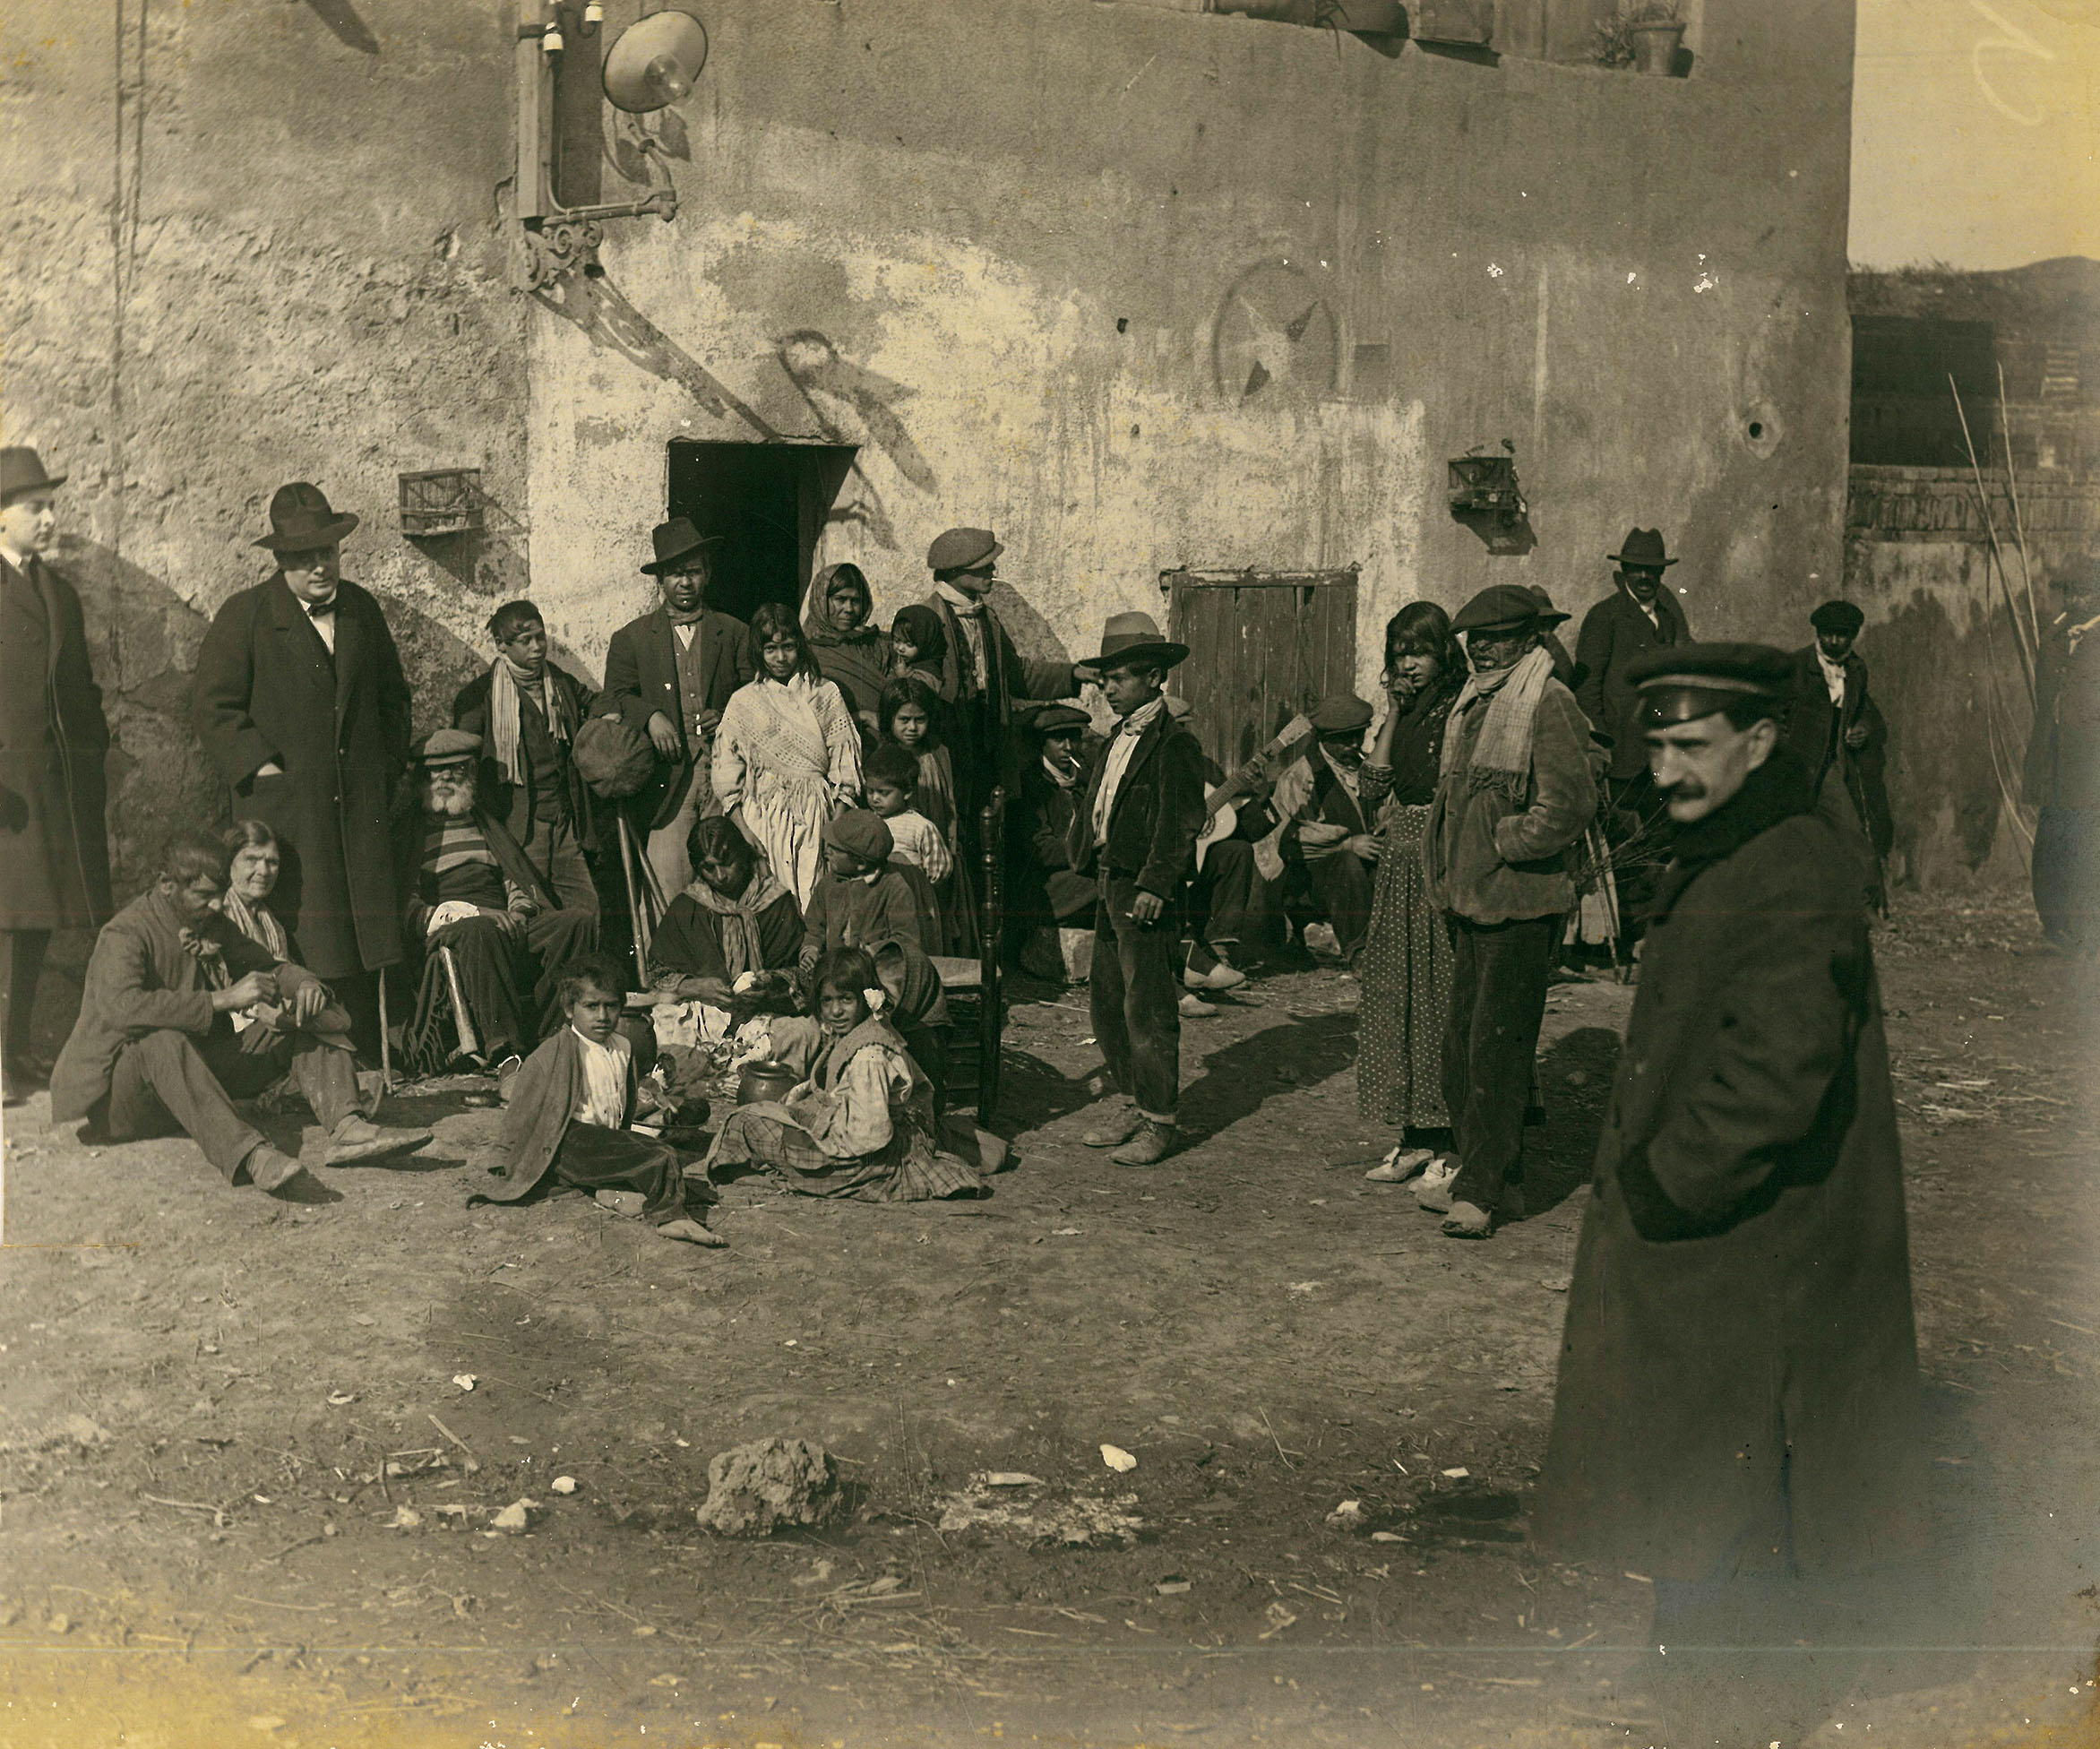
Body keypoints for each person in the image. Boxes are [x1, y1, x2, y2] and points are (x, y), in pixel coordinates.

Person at [1536, 644, 1928, 1739]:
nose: (1664, 769)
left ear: (1758, 744)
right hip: (1713, 1235)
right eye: (1655, 744)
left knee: (1734, 1474)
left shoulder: (1794, 864)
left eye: (1691, 746)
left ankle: (1728, 1711)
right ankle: (1687, 1684)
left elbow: (1776, 1068)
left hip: (1751, 1235)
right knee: (1695, 1471)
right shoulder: (1730, 847)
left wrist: (1670, 1181)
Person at [48, 828, 430, 1193]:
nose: (217, 906)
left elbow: (270, 966)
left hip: (189, 1081)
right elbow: (123, 1009)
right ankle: (251, 1155)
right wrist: (222, 999)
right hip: (125, 1101)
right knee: (162, 1040)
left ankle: (348, 1126)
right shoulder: (126, 933)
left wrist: (306, 985)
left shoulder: (208, 920)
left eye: (220, 895)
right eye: (204, 896)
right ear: (167, 885)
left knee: (293, 1019)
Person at [191, 482, 412, 1033]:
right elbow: (213, 708)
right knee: (306, 919)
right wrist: (261, 769)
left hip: (358, 800)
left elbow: (394, 697)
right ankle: (306, 1045)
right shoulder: (246, 615)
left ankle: (364, 1036)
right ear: (281, 560)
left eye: (328, 554)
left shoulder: (360, 609)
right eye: (305, 558)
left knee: (361, 919)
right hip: (288, 807)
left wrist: (385, 768)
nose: (320, 568)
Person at [1420, 584, 1597, 1238]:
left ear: (1528, 639)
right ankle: (1502, 1182)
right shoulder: (1476, 704)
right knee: (1463, 1051)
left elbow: (1569, 806)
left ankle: (1482, 1191)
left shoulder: (1548, 702)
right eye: (1473, 640)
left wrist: (1506, 843)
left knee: (1496, 1054)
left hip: (1520, 906)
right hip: (1473, 903)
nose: (1478, 649)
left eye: (1493, 638)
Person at [1069, 614, 1206, 1167]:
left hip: (1140, 886)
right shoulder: (1113, 739)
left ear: (1153, 678)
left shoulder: (1173, 744)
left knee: (1147, 1004)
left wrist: (1155, 883)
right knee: (1107, 998)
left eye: (1119, 678)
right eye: (1105, 678)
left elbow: (1180, 822)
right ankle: (1131, 1098)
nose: (1107, 687)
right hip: (1108, 880)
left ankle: (1160, 1120)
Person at [470, 951, 722, 1245]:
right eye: (591, 1006)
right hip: (569, 1141)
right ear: (569, 1009)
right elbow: (521, 1109)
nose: (602, 1016)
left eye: (611, 1006)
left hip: (603, 1140)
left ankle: (610, 1191)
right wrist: (503, 1158)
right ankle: (671, 1217)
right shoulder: (553, 1054)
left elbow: (622, 1103)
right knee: (661, 1156)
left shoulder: (623, 1047)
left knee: (654, 1153)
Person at [0, 448, 112, 1101]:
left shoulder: (58, 592)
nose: (49, 519)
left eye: (51, 506)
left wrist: (94, 752)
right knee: (8, 924)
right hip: (7, 792)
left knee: (36, 920)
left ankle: (15, 1050)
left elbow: (81, 689)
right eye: (34, 508)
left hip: (54, 787)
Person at [701, 947, 982, 1203]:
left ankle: (794, 1175)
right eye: (827, 1001)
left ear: (865, 998)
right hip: (857, 1130)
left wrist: (815, 1137)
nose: (835, 1011)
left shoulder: (870, 1053)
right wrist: (802, 1104)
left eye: (846, 1000)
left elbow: (870, 1135)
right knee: (759, 1118)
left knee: (746, 1124)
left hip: (874, 1152)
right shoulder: (851, 1033)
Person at [392, 731, 598, 1077]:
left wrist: (518, 912)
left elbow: (513, 880)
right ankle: (507, 1054)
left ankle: (555, 1037)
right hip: (458, 930)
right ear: (421, 781)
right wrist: (477, 913)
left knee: (576, 922)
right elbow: (410, 911)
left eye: (454, 772)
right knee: (479, 930)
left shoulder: (484, 825)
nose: (444, 781)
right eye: (435, 774)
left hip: (503, 921)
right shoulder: (411, 835)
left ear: (469, 775)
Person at [1356, 602, 1467, 1178]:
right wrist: (1394, 713)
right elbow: (1373, 786)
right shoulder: (1411, 708)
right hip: (1399, 867)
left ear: (1443, 652)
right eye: (1400, 652)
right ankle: (1415, 1134)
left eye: (1419, 651)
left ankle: (1450, 1142)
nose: (1409, 663)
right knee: (1399, 998)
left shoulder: (1461, 705)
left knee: (1439, 999)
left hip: (1441, 858)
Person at [598, 517, 753, 899]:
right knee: (667, 884)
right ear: (660, 581)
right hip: (668, 784)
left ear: (708, 575)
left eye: (694, 573)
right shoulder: (631, 638)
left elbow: (758, 691)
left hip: (726, 777)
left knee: (731, 876)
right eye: (674, 574)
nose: (685, 583)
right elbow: (611, 697)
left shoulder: (733, 632)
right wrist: (650, 716)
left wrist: (730, 712)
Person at [917, 526, 1076, 827]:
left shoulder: (986, 618)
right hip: (949, 749)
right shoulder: (928, 618)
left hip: (987, 747)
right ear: (956, 570)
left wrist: (1074, 675)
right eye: (983, 566)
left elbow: (1017, 676)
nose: (992, 570)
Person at [712, 601, 865, 910]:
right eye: (770, 649)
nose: (780, 658)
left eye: (788, 647)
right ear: (759, 651)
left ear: (800, 646)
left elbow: (845, 763)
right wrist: (745, 832)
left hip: (815, 815)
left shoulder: (825, 694)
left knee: (815, 895)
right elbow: (726, 773)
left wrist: (833, 828)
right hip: (763, 815)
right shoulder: (744, 702)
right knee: (771, 899)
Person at [452, 599, 600, 916]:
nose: (537, 647)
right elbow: (463, 762)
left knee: (586, 910)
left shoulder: (558, 682)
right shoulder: (478, 698)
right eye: (525, 641)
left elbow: (595, 703)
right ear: (501, 645)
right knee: (531, 914)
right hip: (516, 830)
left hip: (564, 823)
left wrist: (611, 715)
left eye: (540, 637)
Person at [1574, 528, 1692, 920]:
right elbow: (1587, 688)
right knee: (1621, 849)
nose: (1645, 578)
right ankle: (1621, 933)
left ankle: (1648, 930)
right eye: (1638, 569)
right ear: (1624, 571)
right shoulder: (1605, 617)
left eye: (1653, 571)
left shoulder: (1669, 619)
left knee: (1662, 842)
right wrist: (1600, 741)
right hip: (1620, 755)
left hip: (1660, 754)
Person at [1233, 694, 1380, 967]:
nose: (1355, 744)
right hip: (1309, 882)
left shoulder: (1366, 768)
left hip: (1363, 872)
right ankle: (1361, 953)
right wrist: (1345, 844)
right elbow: (1288, 839)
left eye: (1359, 735)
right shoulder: (1300, 777)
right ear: (1324, 739)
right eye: (1346, 739)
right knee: (1346, 864)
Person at [1782, 599, 1892, 913]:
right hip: (1798, 769)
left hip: (1833, 767)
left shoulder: (1856, 670)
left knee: (1851, 834)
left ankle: (1863, 909)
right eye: (1828, 634)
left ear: (1853, 636)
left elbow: (1863, 711)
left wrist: (1862, 728)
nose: (1834, 641)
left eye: (1842, 635)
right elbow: (1776, 714)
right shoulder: (1797, 667)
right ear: (1818, 633)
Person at [645, 815, 803, 1008]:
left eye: (727, 863)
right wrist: (692, 987)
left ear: (742, 855)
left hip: (770, 1013)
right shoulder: (687, 907)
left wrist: (771, 984)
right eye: (709, 868)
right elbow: (656, 974)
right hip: (703, 1015)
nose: (720, 876)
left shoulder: (775, 903)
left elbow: (804, 972)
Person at [2026, 556, 2100, 953]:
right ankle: (2055, 923)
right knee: (2053, 839)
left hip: (2091, 763)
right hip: (2056, 760)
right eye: (2071, 592)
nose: (2077, 599)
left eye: (2086, 591)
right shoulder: (2056, 636)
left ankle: (2087, 927)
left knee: (2088, 840)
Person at [1012, 703, 1102, 975]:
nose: (1067, 747)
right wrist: (1089, 850)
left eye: (1073, 738)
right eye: (1058, 739)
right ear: (1041, 744)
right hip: (1045, 889)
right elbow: (1042, 849)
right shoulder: (1031, 786)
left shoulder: (1085, 779)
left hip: (1080, 874)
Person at [799, 809, 939, 967]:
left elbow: (905, 940)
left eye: (834, 850)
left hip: (878, 971)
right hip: (835, 970)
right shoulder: (828, 884)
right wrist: (811, 950)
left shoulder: (894, 887)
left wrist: (872, 952)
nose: (826, 853)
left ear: (861, 864)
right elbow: (813, 929)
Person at [863, 741, 960, 952]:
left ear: (907, 792)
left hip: (913, 903)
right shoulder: (866, 823)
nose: (875, 798)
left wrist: (918, 886)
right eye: (870, 791)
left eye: (883, 792)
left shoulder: (920, 826)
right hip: (875, 904)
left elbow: (940, 869)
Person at [802, 562, 891, 737]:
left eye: (855, 601)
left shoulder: (879, 645)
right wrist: (861, 717)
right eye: (840, 600)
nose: (849, 609)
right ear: (821, 600)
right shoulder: (806, 650)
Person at [886, 604, 952, 697]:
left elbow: (921, 698)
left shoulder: (929, 672)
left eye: (909, 644)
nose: (900, 648)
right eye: (897, 640)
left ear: (925, 644)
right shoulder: (898, 658)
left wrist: (902, 678)